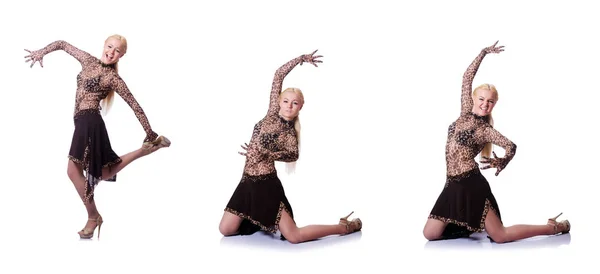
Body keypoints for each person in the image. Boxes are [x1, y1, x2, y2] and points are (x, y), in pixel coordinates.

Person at [422, 41, 570, 243]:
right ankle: (470, 225)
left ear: (494, 105)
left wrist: (501, 161)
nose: (485, 104)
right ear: (474, 98)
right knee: (430, 234)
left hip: (471, 183)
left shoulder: (484, 130)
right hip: (452, 184)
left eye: (490, 101)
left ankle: (552, 227)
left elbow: (511, 146)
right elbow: (467, 78)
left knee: (500, 236)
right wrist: (483, 53)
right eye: (482, 99)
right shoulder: (465, 111)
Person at [24, 34, 171, 239]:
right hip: (82, 122)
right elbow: (62, 44)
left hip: (89, 121)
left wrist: (149, 131)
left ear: (122, 55)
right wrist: (41, 52)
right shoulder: (87, 60)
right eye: (109, 47)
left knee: (73, 170)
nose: (111, 52)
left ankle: (93, 217)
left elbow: (134, 105)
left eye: (117, 51)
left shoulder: (113, 78)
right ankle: (143, 151)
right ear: (104, 45)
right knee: (102, 173)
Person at [218, 50, 362, 244]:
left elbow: (292, 155)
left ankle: (345, 226)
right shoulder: (271, 114)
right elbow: (278, 75)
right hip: (246, 182)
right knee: (225, 230)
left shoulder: (289, 134)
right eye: (286, 101)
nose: (289, 106)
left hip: (265, 185)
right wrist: (301, 59)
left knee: (294, 236)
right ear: (279, 102)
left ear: (300, 107)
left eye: (295, 103)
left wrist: (264, 151)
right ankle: (260, 221)